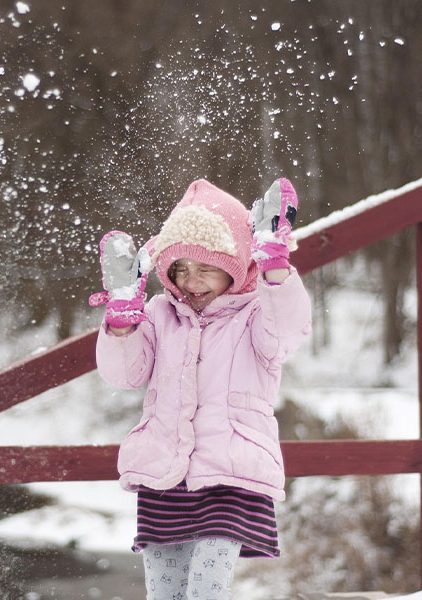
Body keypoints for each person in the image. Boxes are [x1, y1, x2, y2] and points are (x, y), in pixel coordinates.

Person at [89, 178, 311, 599]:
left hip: (229, 473)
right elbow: (124, 374)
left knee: (206, 590)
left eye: (206, 268)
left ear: (236, 263)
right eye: (181, 270)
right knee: (166, 593)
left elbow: (288, 330)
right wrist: (122, 319)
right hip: (164, 475)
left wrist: (275, 264)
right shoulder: (159, 314)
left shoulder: (257, 313)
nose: (192, 281)